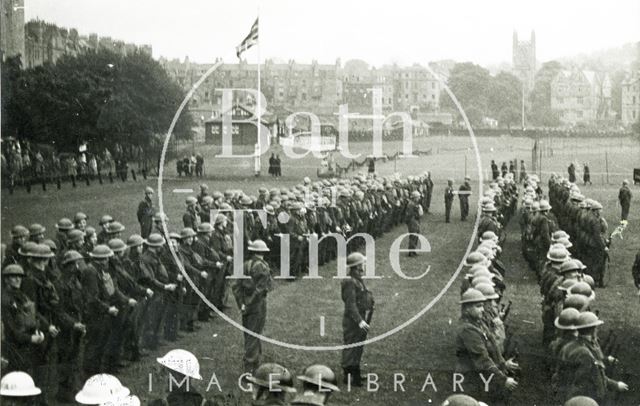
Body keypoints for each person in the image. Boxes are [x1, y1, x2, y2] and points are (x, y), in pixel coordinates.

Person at [455, 288, 517, 403]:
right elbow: (482, 360)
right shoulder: (468, 330)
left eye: (483, 306)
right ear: (467, 309)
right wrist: (503, 379)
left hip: (483, 377)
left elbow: (492, 346)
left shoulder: (477, 323)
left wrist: (503, 364)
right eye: (478, 306)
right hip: (473, 380)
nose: (483, 310)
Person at [233, 240, 272, 373]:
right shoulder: (262, 267)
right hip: (257, 305)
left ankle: (254, 362)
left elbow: (236, 287)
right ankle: (250, 366)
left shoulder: (245, 265)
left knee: (249, 333)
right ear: (263, 252)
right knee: (254, 334)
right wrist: (249, 303)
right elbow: (261, 289)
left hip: (245, 304)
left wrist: (242, 304)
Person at [341, 252, 374, 387]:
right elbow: (350, 304)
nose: (363, 268)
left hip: (359, 317)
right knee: (351, 346)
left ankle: (356, 374)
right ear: (355, 267)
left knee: (358, 345)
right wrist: (360, 320)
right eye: (361, 265)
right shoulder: (350, 282)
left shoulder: (356, 279)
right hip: (353, 320)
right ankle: (349, 375)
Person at [149, 349, 215, 406]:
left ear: (176, 377)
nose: (165, 378)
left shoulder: (161, 403)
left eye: (167, 372)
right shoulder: (205, 403)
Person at [405, 191, 423, 256]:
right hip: (412, 221)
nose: (419, 198)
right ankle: (411, 251)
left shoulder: (414, 204)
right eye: (417, 197)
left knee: (416, 235)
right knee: (413, 235)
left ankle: (413, 250)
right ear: (414, 198)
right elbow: (409, 214)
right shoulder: (411, 204)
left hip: (415, 221)